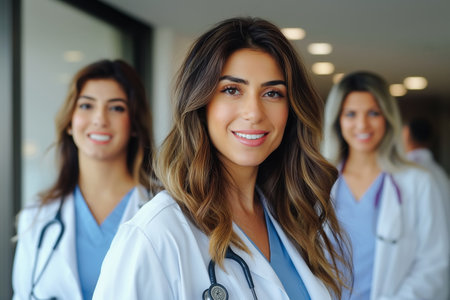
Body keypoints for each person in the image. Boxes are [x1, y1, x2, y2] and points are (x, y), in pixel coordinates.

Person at [94, 17, 351, 300]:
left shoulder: (296, 219)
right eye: (231, 90)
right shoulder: (156, 234)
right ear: (200, 103)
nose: (254, 112)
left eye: (272, 93)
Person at [12, 59, 159, 300]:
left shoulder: (163, 211)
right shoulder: (37, 216)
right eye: (86, 106)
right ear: (70, 122)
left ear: (134, 125)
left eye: (116, 108)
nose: (100, 119)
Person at [322, 71, 449, 299]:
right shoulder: (318, 182)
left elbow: (434, 263)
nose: (362, 124)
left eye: (373, 113)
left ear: (388, 118)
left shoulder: (418, 182)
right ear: (337, 120)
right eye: (351, 114)